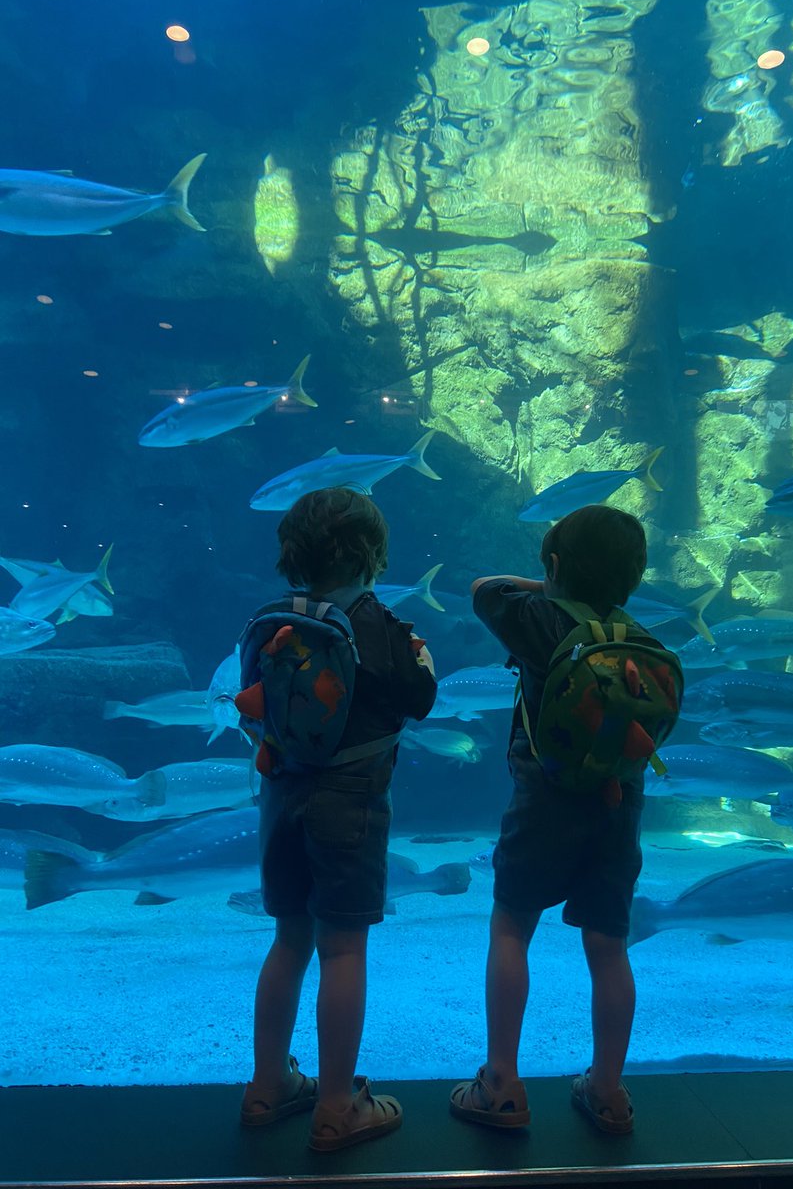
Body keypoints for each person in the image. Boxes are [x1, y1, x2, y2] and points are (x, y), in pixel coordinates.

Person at [239, 487, 437, 1150]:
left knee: (288, 942)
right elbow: (420, 701)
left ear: (289, 555)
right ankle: (335, 1107)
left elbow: (253, 706)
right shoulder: (380, 624)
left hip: (282, 799)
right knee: (343, 948)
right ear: (372, 554)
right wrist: (423, 660)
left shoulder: (270, 621)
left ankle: (268, 1087)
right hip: (350, 805)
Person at [450, 504, 655, 1135]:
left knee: (512, 928)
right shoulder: (643, 642)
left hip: (543, 804)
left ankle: (503, 1084)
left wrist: (552, 586)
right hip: (617, 810)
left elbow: (484, 588)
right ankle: (608, 1089)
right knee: (608, 947)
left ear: (555, 566)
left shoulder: (536, 621)